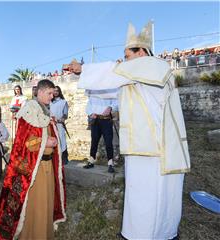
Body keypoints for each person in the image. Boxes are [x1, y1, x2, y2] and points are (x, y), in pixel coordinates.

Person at [79, 21, 190, 240]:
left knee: (152, 199)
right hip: (145, 148)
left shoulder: (154, 66)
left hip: (155, 150)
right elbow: (110, 91)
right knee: (142, 199)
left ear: (142, 52)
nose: (125, 60)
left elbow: (115, 73)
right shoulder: (139, 77)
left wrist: (82, 69)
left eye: (127, 55)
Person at [0, 79, 66, 240]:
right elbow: (24, 142)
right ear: (40, 92)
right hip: (35, 169)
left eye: (52, 94)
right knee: (36, 205)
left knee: (46, 203)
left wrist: (51, 141)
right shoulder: (29, 111)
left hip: (47, 165)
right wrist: (45, 142)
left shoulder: (44, 111)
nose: (51, 97)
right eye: (49, 93)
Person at [82, 89, 118, 173]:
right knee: (94, 141)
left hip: (106, 120)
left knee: (108, 142)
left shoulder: (110, 90)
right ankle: (91, 161)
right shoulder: (93, 90)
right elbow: (89, 105)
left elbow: (116, 101)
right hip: (95, 120)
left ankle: (110, 164)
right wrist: (91, 113)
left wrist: (110, 107)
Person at [50, 85, 69, 164]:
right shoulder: (49, 102)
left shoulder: (63, 102)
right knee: (53, 141)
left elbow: (65, 114)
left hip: (59, 124)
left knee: (61, 140)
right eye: (54, 91)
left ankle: (64, 158)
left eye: (57, 91)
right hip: (51, 124)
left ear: (59, 92)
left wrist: (62, 119)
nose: (55, 92)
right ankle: (55, 158)